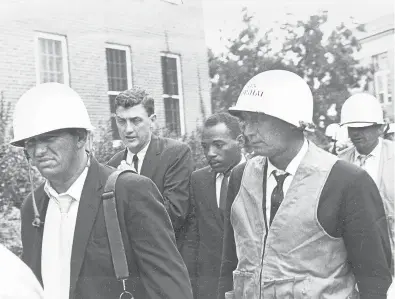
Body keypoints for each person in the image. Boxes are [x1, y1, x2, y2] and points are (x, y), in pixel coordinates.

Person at [217, 70, 392, 299]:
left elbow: (374, 278)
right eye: (245, 121)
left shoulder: (346, 181)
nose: (248, 131)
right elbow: (230, 260)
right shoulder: (240, 178)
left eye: (258, 120)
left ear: (293, 122)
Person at [12, 83, 193, 299]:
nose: (39, 151)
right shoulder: (33, 207)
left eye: (49, 138)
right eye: (30, 142)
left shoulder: (130, 192)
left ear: (80, 137)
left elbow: (171, 290)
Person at [106, 88, 194, 250]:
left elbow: (174, 215)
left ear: (152, 121)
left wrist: (133, 183)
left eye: (136, 120)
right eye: (121, 121)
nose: (128, 129)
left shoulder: (176, 154)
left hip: (164, 260)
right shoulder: (114, 163)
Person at [186, 113, 244, 299]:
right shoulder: (198, 180)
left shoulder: (258, 177)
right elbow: (193, 238)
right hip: (208, 287)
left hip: (247, 285)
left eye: (218, 145)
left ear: (240, 141)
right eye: (205, 146)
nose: (210, 153)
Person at [338, 93, 394, 269]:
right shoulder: (339, 162)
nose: (355, 133)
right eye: (351, 128)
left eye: (363, 128)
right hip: (356, 255)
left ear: (380, 128)